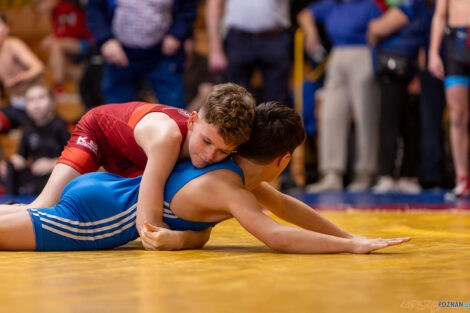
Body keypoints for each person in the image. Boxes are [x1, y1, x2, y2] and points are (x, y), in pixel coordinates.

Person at [0, 101, 410, 253]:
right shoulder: (229, 186)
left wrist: (350, 236)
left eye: (222, 148)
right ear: (282, 161)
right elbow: (278, 236)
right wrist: (352, 248)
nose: (212, 153)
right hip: (97, 214)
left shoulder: (229, 175)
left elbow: (286, 206)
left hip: (107, 189)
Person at [0, 83, 255, 250]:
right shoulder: (168, 138)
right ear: (193, 121)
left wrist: (186, 237)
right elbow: (148, 227)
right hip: (98, 132)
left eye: (224, 150)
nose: (210, 155)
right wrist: (181, 239)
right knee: (43, 206)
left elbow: (198, 221)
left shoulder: (205, 143)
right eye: (207, 141)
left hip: (132, 159)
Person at [298, 0, 382, 192]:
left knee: (365, 115)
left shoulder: (369, 6)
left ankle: (364, 174)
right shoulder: (332, 5)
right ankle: (331, 174)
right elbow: (304, 14)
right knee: (330, 115)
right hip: (336, 56)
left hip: (362, 54)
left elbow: (377, 33)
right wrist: (312, 31)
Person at [85, 0, 198, 108]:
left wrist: (176, 34)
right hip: (120, 53)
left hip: (163, 53)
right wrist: (105, 40)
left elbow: (188, 8)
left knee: (175, 110)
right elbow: (94, 10)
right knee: (115, 114)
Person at [367, 0, 428, 193]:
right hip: (406, 70)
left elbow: (378, 28)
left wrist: (375, 29)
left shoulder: (411, 5)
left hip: (401, 70)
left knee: (392, 123)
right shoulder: (418, 7)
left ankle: (390, 175)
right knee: (405, 123)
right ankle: (404, 176)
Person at [206, 0, 292, 107]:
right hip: (238, 39)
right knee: (233, 102)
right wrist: (215, 50)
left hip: (275, 37)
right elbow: (214, 4)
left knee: (278, 103)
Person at [428, 0, 470, 197]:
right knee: (458, 115)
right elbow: (440, 15)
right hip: (456, 43)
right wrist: (433, 53)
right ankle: (462, 177)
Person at [0, 82, 70, 195]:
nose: (36, 104)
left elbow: (75, 159)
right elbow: (21, 157)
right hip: (36, 175)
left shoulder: (60, 126)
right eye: (31, 100)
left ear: (52, 102)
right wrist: (8, 164)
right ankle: (9, 201)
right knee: (8, 169)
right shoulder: (28, 127)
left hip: (56, 175)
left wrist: (51, 164)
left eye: (41, 98)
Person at [0, 11, 44, 132]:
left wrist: (20, 78)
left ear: (7, 28)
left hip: (35, 104)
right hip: (15, 105)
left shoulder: (13, 45)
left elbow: (38, 67)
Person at [37, 0, 93, 94]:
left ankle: (57, 84)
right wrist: (54, 36)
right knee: (55, 64)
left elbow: (79, 31)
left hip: (86, 42)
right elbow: (60, 30)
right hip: (70, 42)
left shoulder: (67, 7)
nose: (39, 8)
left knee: (56, 45)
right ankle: (88, 80)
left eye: (40, 4)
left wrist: (55, 37)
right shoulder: (54, 12)